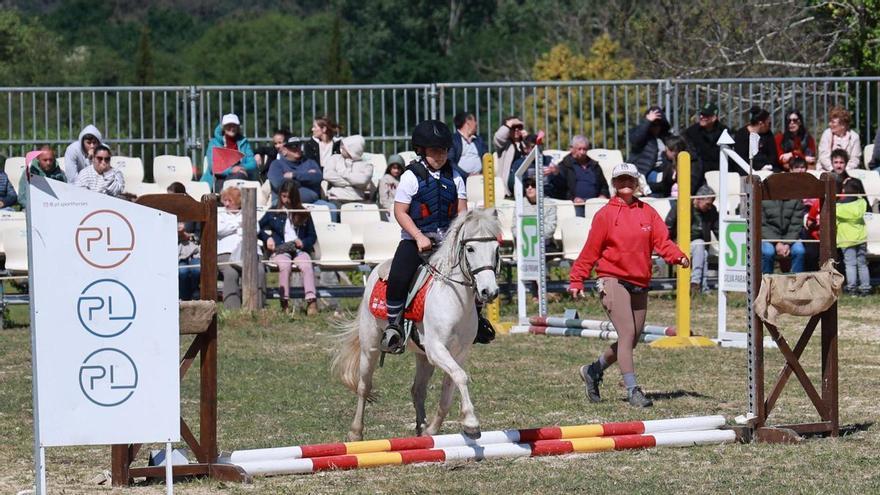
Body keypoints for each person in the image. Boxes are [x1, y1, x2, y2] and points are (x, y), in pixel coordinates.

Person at [569, 163, 689, 408]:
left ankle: (593, 370)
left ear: (637, 184)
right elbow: (590, 250)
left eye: (630, 180)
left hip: (639, 280)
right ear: (614, 184)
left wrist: (677, 256)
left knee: (631, 339)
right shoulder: (605, 215)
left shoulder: (648, 212)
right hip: (612, 279)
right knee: (626, 334)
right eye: (620, 180)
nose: (625, 184)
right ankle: (633, 390)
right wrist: (577, 278)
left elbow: (662, 241)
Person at [382, 119, 497, 354]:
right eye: (435, 151)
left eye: (444, 150)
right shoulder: (410, 176)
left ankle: (477, 318)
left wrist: (459, 239)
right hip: (416, 240)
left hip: (448, 241)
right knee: (398, 274)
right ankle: (393, 326)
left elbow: (462, 214)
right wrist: (417, 236)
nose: (441, 155)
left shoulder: (455, 177)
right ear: (422, 151)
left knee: (473, 270)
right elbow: (400, 211)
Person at [259, 180, 319, 313]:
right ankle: (284, 302)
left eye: (289, 197)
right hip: (281, 249)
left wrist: (303, 243)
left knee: (306, 264)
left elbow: (312, 236)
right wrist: (267, 238)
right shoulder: (273, 212)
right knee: (284, 265)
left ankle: (311, 301)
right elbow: (257, 227)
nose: (286, 200)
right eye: (284, 196)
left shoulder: (303, 213)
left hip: (298, 249)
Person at [217, 186, 265, 309]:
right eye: (225, 200)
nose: (226, 204)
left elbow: (255, 229)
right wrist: (238, 224)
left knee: (258, 271)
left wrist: (231, 227)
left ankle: (256, 308)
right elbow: (219, 230)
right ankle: (234, 311)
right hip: (226, 253)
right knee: (231, 273)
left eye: (230, 201)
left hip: (250, 251)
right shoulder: (219, 213)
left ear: (238, 202)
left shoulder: (248, 211)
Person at [665, 183, 718, 293]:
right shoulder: (682, 206)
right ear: (698, 199)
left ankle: (697, 285)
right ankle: (699, 286)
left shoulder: (711, 211)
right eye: (707, 204)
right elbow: (668, 226)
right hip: (678, 242)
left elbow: (718, 229)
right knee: (700, 247)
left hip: (698, 245)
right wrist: (667, 244)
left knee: (702, 251)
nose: (709, 207)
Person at [760, 168, 806, 274]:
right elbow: (762, 225)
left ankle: (796, 284)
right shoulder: (762, 200)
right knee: (768, 252)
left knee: (800, 251)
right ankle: (767, 282)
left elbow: (796, 224)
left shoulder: (797, 200)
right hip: (768, 237)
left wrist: (787, 243)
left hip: (790, 238)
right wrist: (777, 243)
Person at [553, 135, 609, 215]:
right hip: (575, 204)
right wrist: (573, 199)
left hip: (595, 202)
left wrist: (603, 195)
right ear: (572, 149)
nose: (582, 152)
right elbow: (560, 189)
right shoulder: (564, 166)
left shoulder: (594, 165)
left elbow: (604, 185)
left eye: (585, 149)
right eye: (579, 149)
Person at [200, 113, 257, 190]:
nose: (232, 128)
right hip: (218, 179)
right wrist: (231, 170)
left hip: (240, 176)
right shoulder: (214, 143)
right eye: (228, 125)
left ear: (238, 127)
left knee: (239, 177)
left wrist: (240, 168)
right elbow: (213, 166)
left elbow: (252, 163)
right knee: (238, 178)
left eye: (234, 125)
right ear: (223, 127)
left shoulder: (244, 142)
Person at [168, 182, 202, 301]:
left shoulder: (193, 210)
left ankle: (196, 294)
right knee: (182, 271)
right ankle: (184, 299)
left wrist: (187, 235)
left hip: (193, 249)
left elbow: (199, 234)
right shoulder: (167, 211)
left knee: (196, 269)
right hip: (177, 251)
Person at [837, 178, 871, 296]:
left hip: (846, 240)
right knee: (862, 263)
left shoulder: (838, 207)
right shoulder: (862, 202)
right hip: (861, 238)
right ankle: (865, 288)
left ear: (844, 190)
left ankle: (852, 289)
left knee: (850, 264)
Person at [267, 137, 323, 204]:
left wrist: (294, 175)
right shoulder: (276, 164)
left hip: (312, 202)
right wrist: (306, 178)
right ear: (284, 150)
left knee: (331, 207)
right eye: (292, 146)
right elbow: (278, 183)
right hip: (283, 203)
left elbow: (318, 177)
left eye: (299, 145)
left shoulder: (310, 162)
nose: (297, 149)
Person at [323, 134, 374, 203]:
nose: (341, 147)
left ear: (352, 149)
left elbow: (362, 181)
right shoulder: (334, 158)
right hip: (336, 198)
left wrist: (343, 174)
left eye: (344, 146)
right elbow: (328, 175)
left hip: (357, 200)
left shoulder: (367, 166)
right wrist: (353, 184)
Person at [791, 158, 821, 271]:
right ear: (791, 170)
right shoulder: (786, 186)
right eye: (797, 167)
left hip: (810, 215)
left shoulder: (812, 184)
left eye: (802, 167)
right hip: (795, 218)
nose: (800, 170)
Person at [682, 102, 727, 176]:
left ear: (714, 118)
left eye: (706, 115)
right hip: (698, 172)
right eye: (701, 114)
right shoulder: (692, 132)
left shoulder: (724, 131)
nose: (701, 117)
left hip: (720, 172)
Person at [509, 133, 559, 198]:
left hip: (549, 198)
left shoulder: (549, 160)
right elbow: (514, 184)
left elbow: (560, 185)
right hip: (528, 200)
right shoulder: (519, 164)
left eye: (540, 146)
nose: (537, 149)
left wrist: (556, 172)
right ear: (526, 149)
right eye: (533, 147)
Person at [628, 106, 672, 178]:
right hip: (645, 172)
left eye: (659, 124)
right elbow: (635, 140)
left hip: (664, 170)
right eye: (653, 124)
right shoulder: (642, 136)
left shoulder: (666, 137)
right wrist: (647, 121)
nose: (656, 127)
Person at [733, 106, 778, 173]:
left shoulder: (768, 134)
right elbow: (741, 158)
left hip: (767, 168)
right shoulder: (741, 135)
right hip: (746, 170)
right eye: (769, 123)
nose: (770, 126)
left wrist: (767, 166)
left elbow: (773, 155)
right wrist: (759, 167)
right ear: (761, 123)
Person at [493, 116, 527, 197]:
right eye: (513, 127)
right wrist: (509, 123)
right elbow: (498, 137)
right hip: (510, 180)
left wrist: (526, 139)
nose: (516, 129)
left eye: (519, 127)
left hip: (525, 177)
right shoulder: (504, 145)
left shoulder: (524, 143)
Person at [818, 106, 861, 171]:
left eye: (833, 122)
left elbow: (855, 159)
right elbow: (823, 157)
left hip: (848, 171)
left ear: (843, 125)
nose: (829, 124)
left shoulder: (854, 137)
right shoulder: (827, 134)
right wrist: (833, 169)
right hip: (827, 170)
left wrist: (844, 170)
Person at [448, 111, 488, 176]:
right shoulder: (453, 140)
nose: (476, 123)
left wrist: (482, 173)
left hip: (480, 178)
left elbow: (486, 157)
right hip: (460, 178)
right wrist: (466, 175)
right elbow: (450, 162)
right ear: (468, 122)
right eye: (474, 120)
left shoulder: (478, 140)